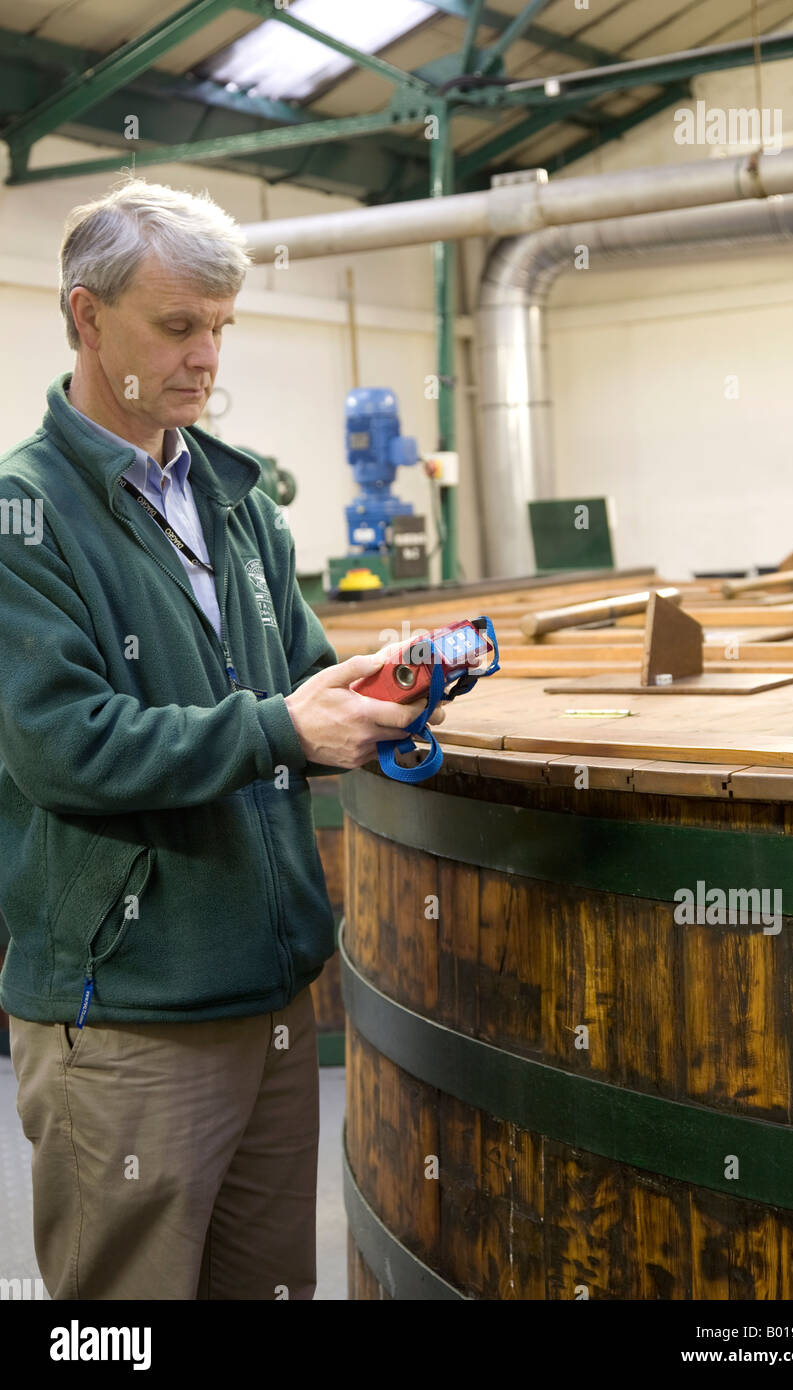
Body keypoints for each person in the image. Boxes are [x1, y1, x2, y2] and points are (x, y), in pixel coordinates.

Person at [0, 176, 445, 1300]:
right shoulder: (24, 516)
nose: (207, 357)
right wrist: (280, 725)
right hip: (131, 1007)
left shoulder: (236, 499)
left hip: (270, 987)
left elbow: (294, 680)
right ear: (87, 316)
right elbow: (63, 745)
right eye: (179, 325)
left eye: (220, 328)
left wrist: (371, 687)